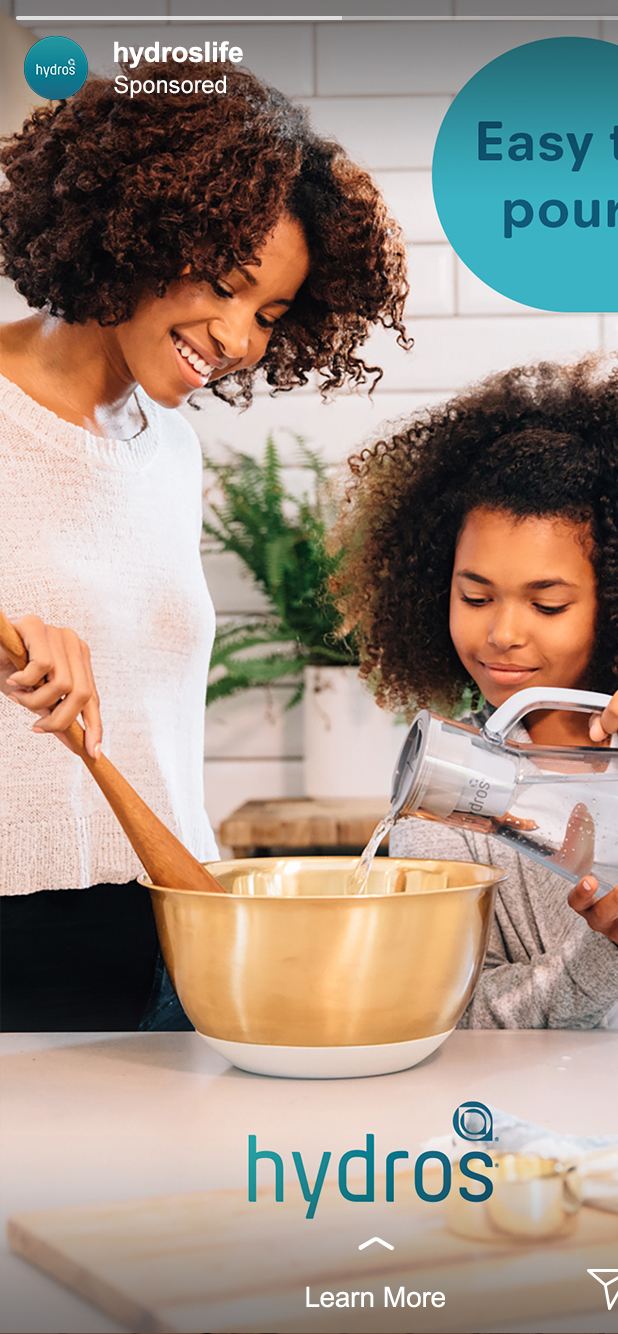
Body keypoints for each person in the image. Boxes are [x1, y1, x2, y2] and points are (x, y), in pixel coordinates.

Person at [0, 59, 409, 1031]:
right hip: (23, 935)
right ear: (136, 229)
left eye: (268, 314)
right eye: (225, 285)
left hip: (176, 923)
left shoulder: (170, 450)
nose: (237, 336)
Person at [332, 354, 618, 1028]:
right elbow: (459, 1018)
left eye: (547, 605)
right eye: (474, 595)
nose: (502, 633)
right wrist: (610, 956)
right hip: (553, 1127)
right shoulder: (447, 801)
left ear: (617, 601)